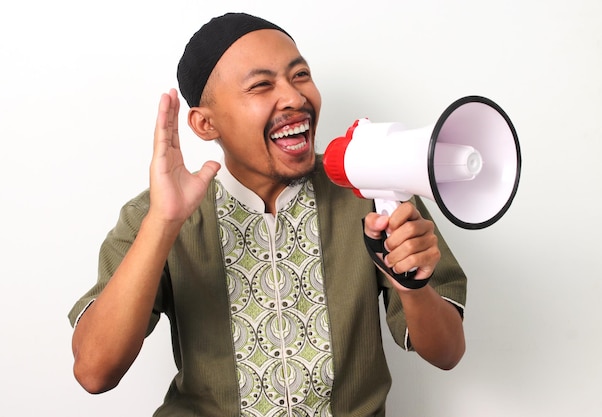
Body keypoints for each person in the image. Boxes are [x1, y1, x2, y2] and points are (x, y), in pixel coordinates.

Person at [68, 12, 466, 417]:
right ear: (205, 124)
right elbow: (94, 372)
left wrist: (412, 287)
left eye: (300, 75)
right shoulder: (152, 216)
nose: (295, 98)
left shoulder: (369, 186)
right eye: (261, 85)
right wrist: (163, 222)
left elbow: (448, 352)